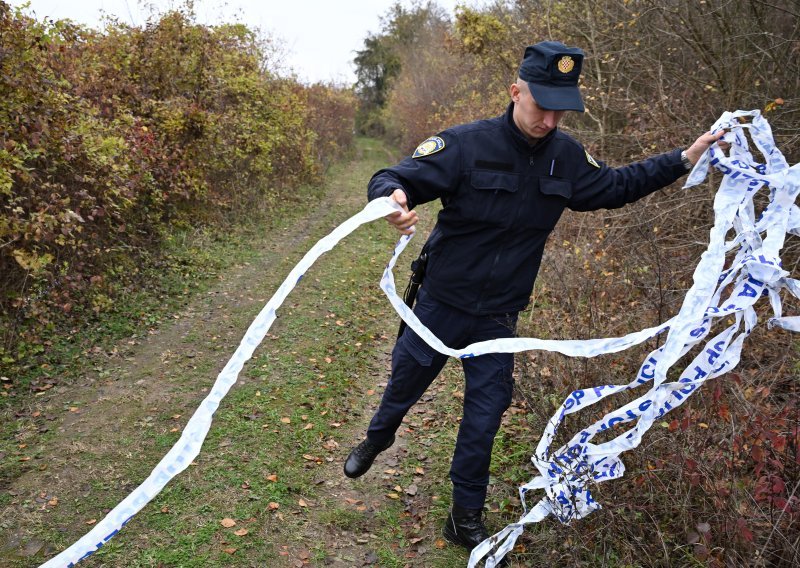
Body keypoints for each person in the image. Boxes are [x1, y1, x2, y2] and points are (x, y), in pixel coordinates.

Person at [343, 40, 725, 558]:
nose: (549, 118)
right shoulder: (463, 145)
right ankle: (378, 438)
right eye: (540, 104)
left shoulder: (567, 158)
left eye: (560, 108)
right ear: (514, 90)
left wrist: (683, 159)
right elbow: (393, 176)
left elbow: (616, 186)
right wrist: (392, 200)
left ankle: (465, 517)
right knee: (402, 388)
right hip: (437, 306)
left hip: (498, 316)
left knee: (485, 414)